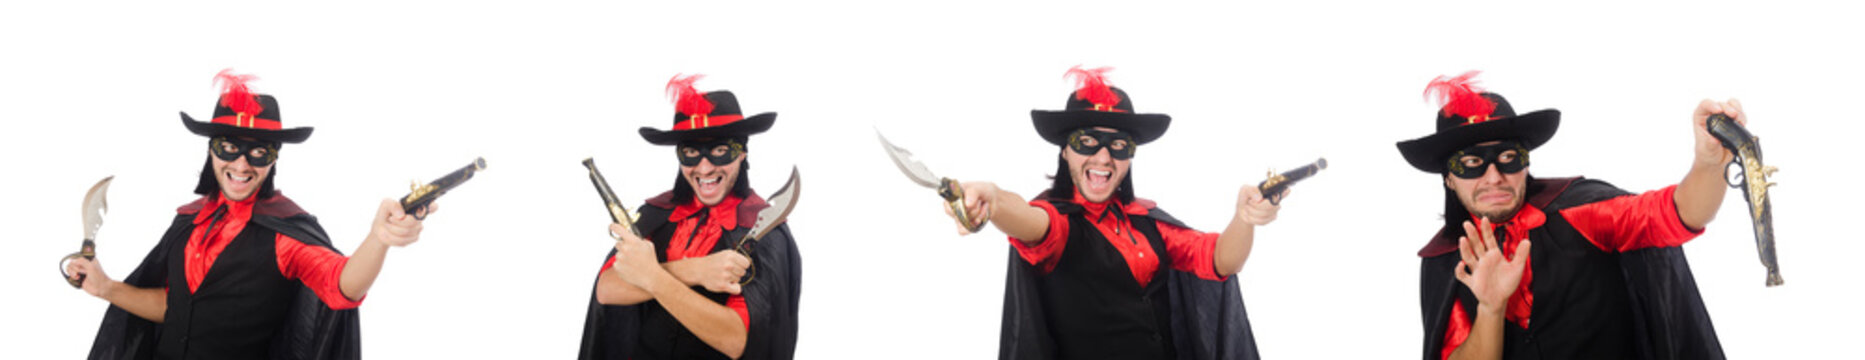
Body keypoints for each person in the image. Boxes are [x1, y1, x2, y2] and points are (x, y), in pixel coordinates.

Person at [64, 70, 435, 360]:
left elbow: (341, 286)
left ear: (273, 158)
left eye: (258, 152)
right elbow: (175, 308)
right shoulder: (189, 220)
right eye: (229, 147)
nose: (241, 164)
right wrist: (107, 288)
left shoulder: (286, 234)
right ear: (211, 151)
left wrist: (378, 240)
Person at [1397, 71, 1736, 359]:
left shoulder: (1583, 211)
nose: (1493, 177)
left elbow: (1679, 213)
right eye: (1470, 164)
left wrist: (1708, 165)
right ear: (1449, 178)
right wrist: (1490, 308)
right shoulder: (1445, 263)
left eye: (1508, 158)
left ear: (1526, 162)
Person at [947, 67, 1277, 360]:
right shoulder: (1059, 223)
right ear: (1065, 151)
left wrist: (1244, 219)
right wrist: (992, 198)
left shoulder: (1147, 221)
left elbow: (1222, 261)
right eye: (1087, 141)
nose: (1103, 158)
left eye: (1119, 145)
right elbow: (1029, 220)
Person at [579, 74, 802, 360]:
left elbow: (737, 340)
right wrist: (695, 271)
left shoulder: (761, 229)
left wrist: (651, 277)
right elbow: (607, 289)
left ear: (742, 152)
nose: (705, 168)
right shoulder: (657, 213)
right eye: (691, 152)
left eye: (721, 151)